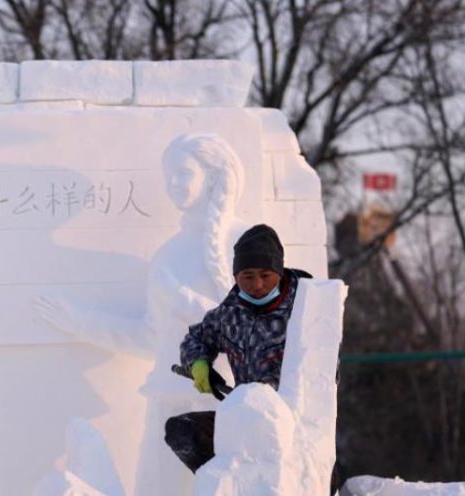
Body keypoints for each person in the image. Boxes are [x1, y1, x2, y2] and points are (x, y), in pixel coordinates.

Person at [36, 133, 250, 496]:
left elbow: (254, 327)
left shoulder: (244, 241)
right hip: (167, 399)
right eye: (169, 176)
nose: (172, 185)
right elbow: (150, 337)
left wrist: (183, 299)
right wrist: (82, 323)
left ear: (212, 175)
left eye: (183, 173)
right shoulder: (168, 255)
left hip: (223, 402)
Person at [165, 224, 312, 473]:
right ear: (236, 277)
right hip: (245, 419)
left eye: (266, 275)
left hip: (296, 427)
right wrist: (199, 364)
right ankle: (228, 484)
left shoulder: (307, 307)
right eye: (248, 276)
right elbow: (196, 338)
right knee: (182, 431)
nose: (257, 285)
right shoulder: (230, 313)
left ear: (280, 271)